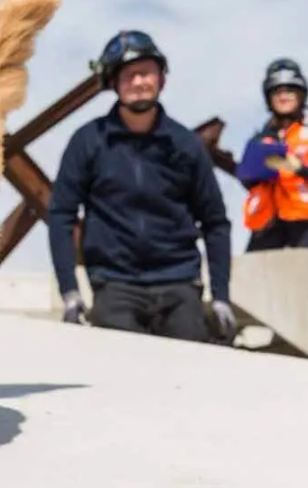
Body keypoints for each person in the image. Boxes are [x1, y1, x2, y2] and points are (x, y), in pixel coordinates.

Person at [45, 29, 236, 344]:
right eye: (128, 75)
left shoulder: (186, 145)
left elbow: (215, 222)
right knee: (119, 381)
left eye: (146, 73)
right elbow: (61, 215)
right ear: (112, 83)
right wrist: (69, 291)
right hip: (114, 286)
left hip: (180, 284)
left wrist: (221, 296)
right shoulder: (88, 142)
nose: (138, 82)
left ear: (161, 78)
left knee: (193, 378)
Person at [238, 58, 308, 251]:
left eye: (289, 91)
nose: (283, 97)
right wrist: (263, 169)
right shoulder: (259, 139)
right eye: (277, 92)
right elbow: (245, 177)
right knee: (252, 274)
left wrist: (298, 168)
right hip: (268, 221)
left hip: (307, 219)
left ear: (300, 96)